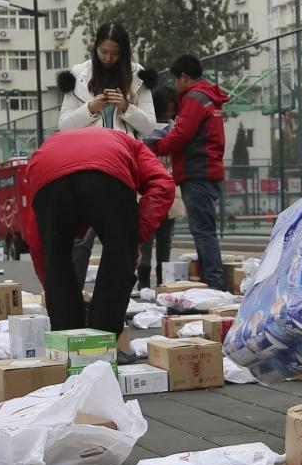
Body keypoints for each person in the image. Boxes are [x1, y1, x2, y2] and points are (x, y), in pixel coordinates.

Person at [19, 126, 175, 334]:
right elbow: (163, 184)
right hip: (108, 173)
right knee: (118, 261)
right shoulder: (133, 145)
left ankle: (69, 345)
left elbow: (38, 241)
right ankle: (102, 344)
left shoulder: (52, 144)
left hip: (47, 173)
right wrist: (134, 238)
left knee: (57, 262)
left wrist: (50, 283)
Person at [60, 23, 158, 285]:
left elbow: (149, 124)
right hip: (86, 165)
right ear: (96, 47)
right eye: (104, 52)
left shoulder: (137, 77)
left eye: (114, 53)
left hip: (121, 167)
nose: (108, 58)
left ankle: (113, 302)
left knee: (121, 239)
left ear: (123, 53)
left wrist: (126, 107)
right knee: (81, 240)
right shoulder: (78, 75)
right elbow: (63, 125)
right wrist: (91, 108)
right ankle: (75, 297)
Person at [151, 54, 230, 291]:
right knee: (204, 230)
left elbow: (182, 133)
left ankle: (214, 285)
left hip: (197, 172)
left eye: (176, 80)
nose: (175, 86)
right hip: (207, 171)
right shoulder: (208, 97)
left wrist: (157, 147)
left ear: (184, 77)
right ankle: (211, 281)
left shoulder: (194, 98)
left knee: (203, 231)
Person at [139, 86, 183, 291]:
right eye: (164, 112)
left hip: (171, 188)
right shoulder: (143, 127)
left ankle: (164, 282)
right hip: (148, 187)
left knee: (166, 237)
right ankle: (144, 281)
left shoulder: (176, 127)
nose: (168, 116)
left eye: (171, 112)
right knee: (146, 235)